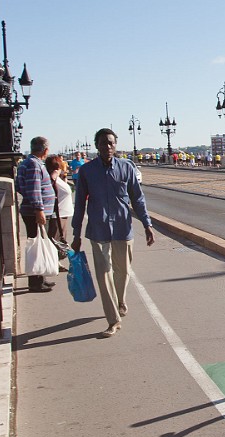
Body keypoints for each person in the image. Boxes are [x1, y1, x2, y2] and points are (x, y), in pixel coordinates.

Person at [71, 128, 155, 338]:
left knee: (123, 272)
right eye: (103, 143)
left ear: (115, 145)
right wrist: (76, 234)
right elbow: (79, 203)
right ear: (96, 145)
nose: (107, 147)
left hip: (122, 227)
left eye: (111, 143)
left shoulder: (126, 168)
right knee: (103, 274)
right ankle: (113, 319)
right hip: (98, 229)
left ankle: (120, 301)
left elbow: (138, 198)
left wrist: (147, 224)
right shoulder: (87, 171)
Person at [16, 136, 56, 292]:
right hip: (35, 213)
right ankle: (35, 282)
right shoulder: (34, 164)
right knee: (36, 246)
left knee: (38, 244)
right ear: (45, 150)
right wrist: (39, 209)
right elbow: (34, 189)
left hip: (31, 210)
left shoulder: (27, 163)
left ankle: (40, 278)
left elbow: (20, 187)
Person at [45, 155, 74, 271]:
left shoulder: (58, 177)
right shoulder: (53, 176)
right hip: (58, 214)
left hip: (62, 214)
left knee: (58, 240)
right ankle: (53, 264)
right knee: (56, 240)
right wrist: (56, 175)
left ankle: (56, 263)